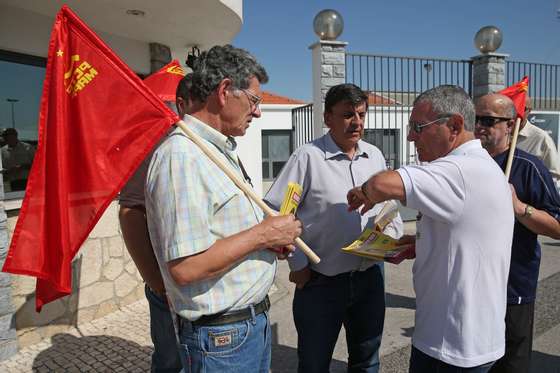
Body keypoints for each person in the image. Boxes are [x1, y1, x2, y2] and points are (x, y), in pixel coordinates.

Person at [145, 45, 302, 373]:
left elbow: (225, 235)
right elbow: (186, 268)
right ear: (224, 90)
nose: (257, 112)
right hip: (222, 340)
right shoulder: (182, 157)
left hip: (247, 327)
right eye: (254, 101)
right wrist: (262, 234)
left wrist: (269, 242)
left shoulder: (217, 149)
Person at [347, 85, 515, 373]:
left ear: (454, 125)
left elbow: (381, 184)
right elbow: (463, 233)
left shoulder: (459, 170)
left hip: (451, 346)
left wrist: (365, 190)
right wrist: (421, 242)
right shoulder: (477, 166)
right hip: (457, 337)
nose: (411, 136)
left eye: (418, 127)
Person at [264, 83, 403, 373]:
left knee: (367, 361)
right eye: (348, 114)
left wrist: (391, 235)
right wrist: (297, 262)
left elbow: (389, 205)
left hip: (369, 278)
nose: (357, 122)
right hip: (320, 284)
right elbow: (279, 213)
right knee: (314, 364)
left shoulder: (375, 156)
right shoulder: (307, 157)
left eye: (362, 115)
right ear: (328, 118)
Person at [474, 93, 560, 373]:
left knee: (511, 365)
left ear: (510, 125)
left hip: (513, 289)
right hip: (472, 287)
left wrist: (520, 207)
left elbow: (558, 227)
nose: (479, 126)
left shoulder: (528, 167)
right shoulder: (467, 164)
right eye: (476, 119)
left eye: (488, 120)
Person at [118, 73, 194, 373]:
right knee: (170, 361)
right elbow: (130, 211)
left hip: (205, 287)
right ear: (183, 105)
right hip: (169, 287)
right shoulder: (160, 147)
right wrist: (156, 282)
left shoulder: (211, 146)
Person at [515, 96, 560, 192]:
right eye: (513, 107)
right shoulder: (498, 135)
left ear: (529, 111)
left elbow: (553, 177)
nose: (517, 111)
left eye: (522, 108)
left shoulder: (541, 138)